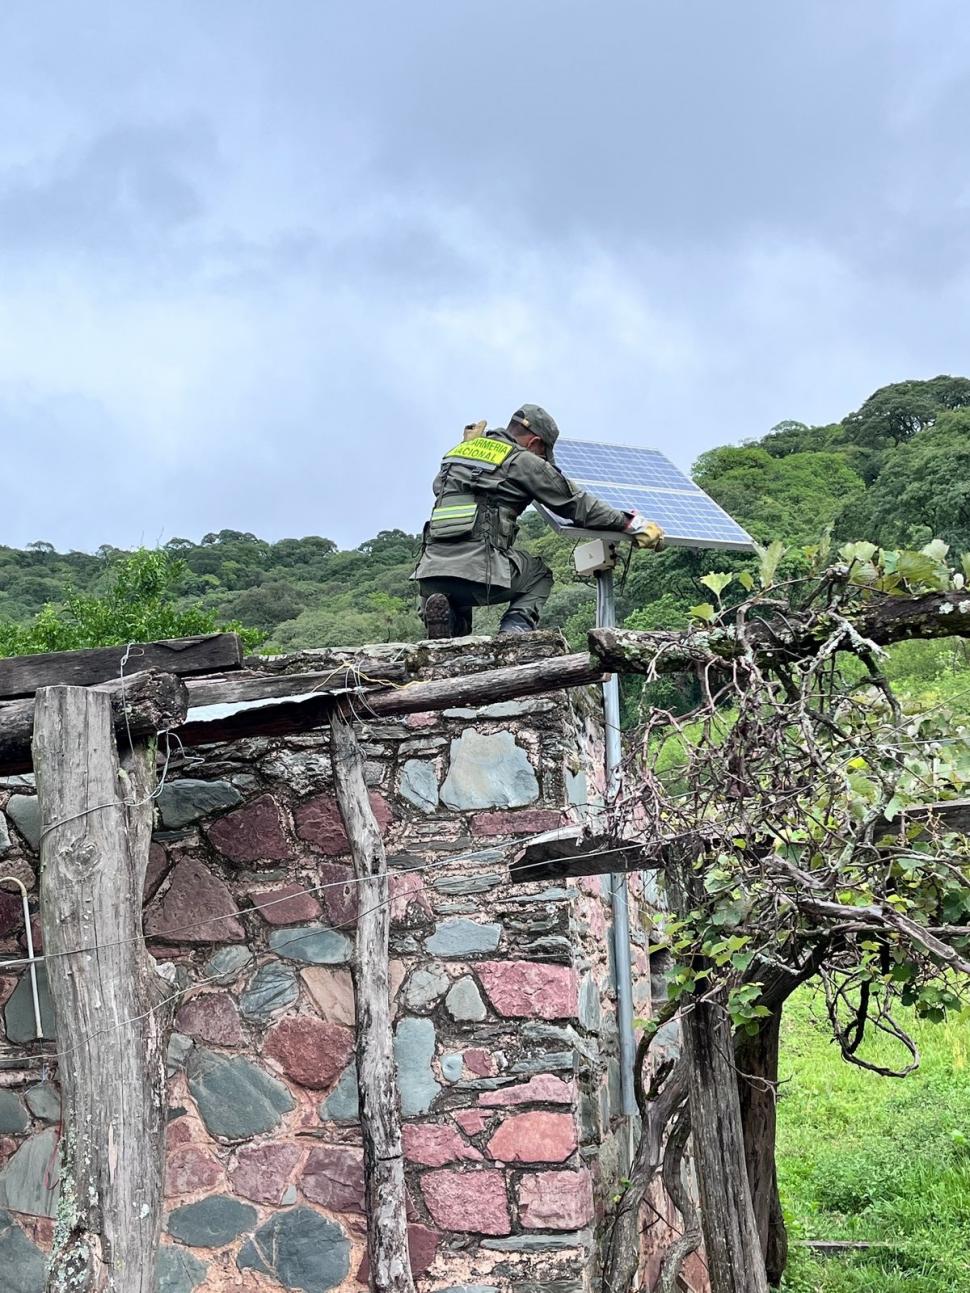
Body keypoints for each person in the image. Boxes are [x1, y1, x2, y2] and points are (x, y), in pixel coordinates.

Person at [413, 404, 664, 637]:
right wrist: (630, 523)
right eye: (543, 453)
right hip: (479, 576)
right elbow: (576, 504)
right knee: (540, 574)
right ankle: (515, 629)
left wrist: (468, 449)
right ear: (535, 442)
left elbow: (449, 487)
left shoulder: (455, 456)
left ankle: (450, 628)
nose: (543, 459)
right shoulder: (522, 460)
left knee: (453, 602)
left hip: (429, 576)